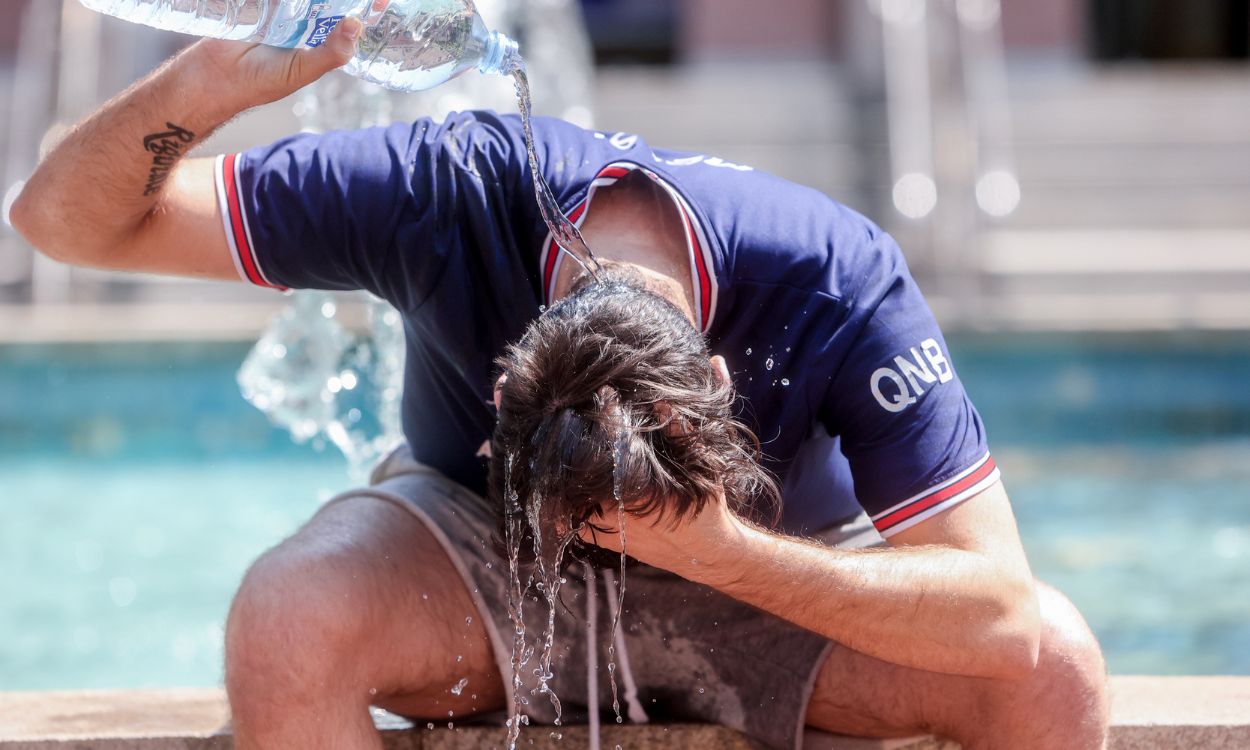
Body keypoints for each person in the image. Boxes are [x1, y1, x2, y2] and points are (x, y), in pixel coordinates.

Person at [12, 20, 1109, 750]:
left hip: (767, 576)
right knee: (289, 614)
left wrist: (720, 550)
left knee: (1052, 668)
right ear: (507, 385)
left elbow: (1006, 617)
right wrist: (203, 87)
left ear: (718, 386)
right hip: (481, 561)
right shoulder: (438, 191)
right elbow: (59, 221)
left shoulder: (834, 278)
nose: (600, 530)